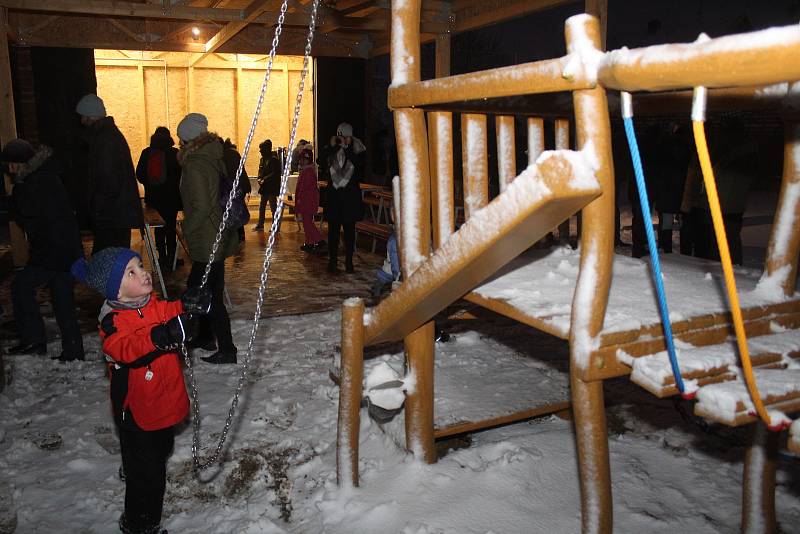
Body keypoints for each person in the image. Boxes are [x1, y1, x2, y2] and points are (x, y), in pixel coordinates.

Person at [70, 247, 210, 534]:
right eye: (131, 272)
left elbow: (169, 310)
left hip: (162, 400)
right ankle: (139, 522)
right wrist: (161, 336)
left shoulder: (150, 303)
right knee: (148, 476)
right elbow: (126, 348)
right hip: (137, 408)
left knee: (160, 447)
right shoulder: (114, 322)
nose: (143, 272)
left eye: (140, 265)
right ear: (117, 293)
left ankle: (134, 462)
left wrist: (187, 304)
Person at [2, 139, 85, 361]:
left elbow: (27, 209)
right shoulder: (43, 176)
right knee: (62, 299)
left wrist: (16, 192)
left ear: (21, 163)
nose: (9, 170)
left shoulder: (35, 181)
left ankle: (34, 340)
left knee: (21, 287)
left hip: (53, 252)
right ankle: (73, 349)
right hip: (64, 251)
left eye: (11, 164)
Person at [176, 113, 239, 364]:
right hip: (216, 232)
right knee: (206, 288)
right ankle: (205, 336)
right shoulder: (212, 156)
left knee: (204, 291)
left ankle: (226, 348)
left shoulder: (196, 163)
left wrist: (187, 229)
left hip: (206, 234)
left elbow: (201, 205)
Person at [76, 93, 144, 254]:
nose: (80, 121)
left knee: (109, 263)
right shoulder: (108, 136)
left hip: (112, 215)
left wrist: (97, 209)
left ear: (88, 116)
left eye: (82, 116)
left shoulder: (104, 140)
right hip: (115, 214)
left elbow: (109, 182)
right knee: (112, 261)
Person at [135, 126, 182, 271]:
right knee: (170, 227)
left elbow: (140, 174)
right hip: (172, 199)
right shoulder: (175, 153)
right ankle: (172, 259)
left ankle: (161, 257)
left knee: (159, 229)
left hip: (154, 199)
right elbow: (182, 175)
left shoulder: (147, 153)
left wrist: (151, 185)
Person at [322, 122, 366, 273]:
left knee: (349, 232)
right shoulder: (333, 149)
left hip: (349, 198)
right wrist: (333, 146)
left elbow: (359, 165)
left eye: (345, 135)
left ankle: (349, 261)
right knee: (333, 231)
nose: (342, 138)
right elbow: (321, 162)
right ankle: (332, 261)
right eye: (340, 135)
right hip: (335, 197)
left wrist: (347, 148)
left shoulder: (357, 149)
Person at [295, 146, 326, 253]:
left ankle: (319, 240)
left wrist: (299, 200)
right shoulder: (306, 171)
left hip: (307, 202)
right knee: (306, 223)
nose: (300, 161)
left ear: (306, 160)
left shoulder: (308, 172)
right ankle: (309, 242)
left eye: (301, 159)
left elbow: (304, 188)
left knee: (308, 223)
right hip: (306, 202)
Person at [221, 138, 251, 243]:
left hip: (234, 186)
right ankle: (240, 235)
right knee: (238, 209)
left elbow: (230, 172)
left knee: (235, 210)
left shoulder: (226, 155)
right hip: (239, 186)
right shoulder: (232, 153)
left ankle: (238, 235)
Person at [253, 139, 281, 232]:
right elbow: (260, 170)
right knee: (262, 206)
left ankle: (275, 225)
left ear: (267, 149)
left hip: (272, 186)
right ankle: (260, 224)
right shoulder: (262, 159)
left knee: (273, 207)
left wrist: (264, 179)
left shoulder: (274, 160)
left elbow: (275, 173)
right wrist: (259, 178)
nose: (260, 151)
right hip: (264, 186)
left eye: (262, 149)